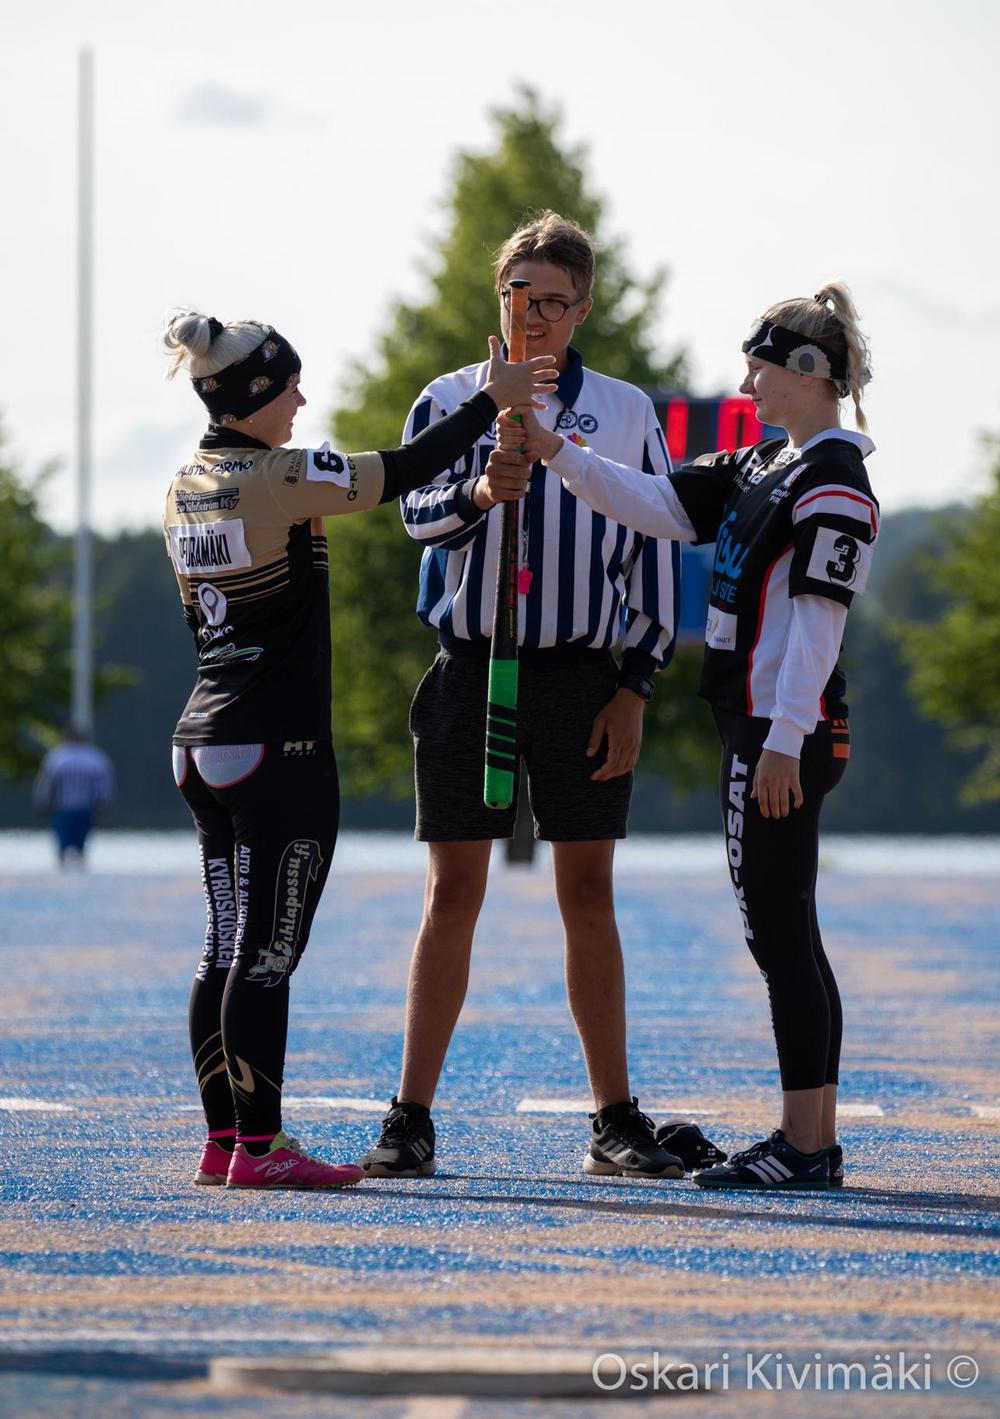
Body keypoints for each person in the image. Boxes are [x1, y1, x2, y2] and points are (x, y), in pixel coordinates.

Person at [162, 310, 556, 1191]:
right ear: (252, 396)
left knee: (222, 947)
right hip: (276, 748)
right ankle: (261, 1147)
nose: (302, 400)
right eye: (289, 386)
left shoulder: (183, 481)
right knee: (265, 956)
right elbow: (407, 468)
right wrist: (488, 400)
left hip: (200, 741)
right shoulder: (279, 475)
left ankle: (226, 1140)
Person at [506, 283, 878, 1191]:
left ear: (807, 371)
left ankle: (803, 1144)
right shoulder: (766, 463)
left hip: (780, 731)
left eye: (758, 367)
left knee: (778, 937)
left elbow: (819, 624)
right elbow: (653, 502)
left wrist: (784, 739)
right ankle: (814, 1139)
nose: (745, 384)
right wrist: (556, 452)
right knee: (790, 933)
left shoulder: (833, 478)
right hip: (763, 726)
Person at [361, 212, 690, 1182]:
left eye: (554, 301)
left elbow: (656, 542)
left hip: (582, 677)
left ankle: (613, 1118)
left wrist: (635, 686)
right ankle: (411, 1116)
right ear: (497, 300)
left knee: (587, 893)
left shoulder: (623, 411)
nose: (536, 316)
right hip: (471, 667)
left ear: (583, 308)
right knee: (452, 892)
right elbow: (414, 513)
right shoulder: (449, 397)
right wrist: (476, 496)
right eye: (520, 296)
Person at [34, 727, 115, 867]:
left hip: (66, 808)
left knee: (64, 843)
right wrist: (101, 806)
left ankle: (65, 869)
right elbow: (104, 785)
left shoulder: (57, 756)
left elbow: (46, 783)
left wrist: (43, 802)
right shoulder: (95, 757)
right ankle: (75, 868)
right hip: (81, 808)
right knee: (79, 844)